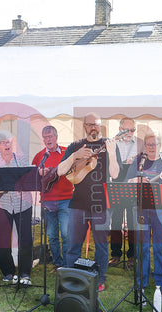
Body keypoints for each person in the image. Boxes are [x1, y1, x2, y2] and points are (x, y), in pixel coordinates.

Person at [57, 113, 119, 292]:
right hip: (77, 204)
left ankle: (100, 279)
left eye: (97, 124)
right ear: (84, 126)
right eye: (90, 124)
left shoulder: (109, 144)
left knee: (101, 245)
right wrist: (75, 155)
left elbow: (114, 174)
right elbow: (61, 171)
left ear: (101, 126)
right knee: (73, 244)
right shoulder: (75, 145)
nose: (94, 128)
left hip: (101, 205)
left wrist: (113, 153)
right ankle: (71, 278)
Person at [126, 129, 162, 294]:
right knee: (142, 246)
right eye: (148, 144)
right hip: (142, 207)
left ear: (160, 145)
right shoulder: (139, 160)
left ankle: (161, 281)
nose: (151, 147)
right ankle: (141, 281)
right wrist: (135, 180)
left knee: (159, 246)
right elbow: (127, 181)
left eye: (154, 144)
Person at [0, 130, 33, 285]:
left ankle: (25, 273)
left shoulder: (21, 158)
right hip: (1, 204)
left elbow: (29, 179)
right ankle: (8, 272)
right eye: (4, 142)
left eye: (9, 142)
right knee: (2, 239)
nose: (7, 145)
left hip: (22, 203)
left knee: (25, 238)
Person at [32, 125, 73, 271]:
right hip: (47, 201)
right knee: (51, 235)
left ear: (56, 137)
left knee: (67, 234)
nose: (48, 139)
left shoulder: (67, 152)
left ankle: (68, 264)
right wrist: (39, 172)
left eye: (50, 136)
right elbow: (31, 176)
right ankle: (57, 263)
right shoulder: (40, 156)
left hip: (66, 198)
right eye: (45, 137)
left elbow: (75, 168)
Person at [108, 117, 138, 268]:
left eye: (133, 130)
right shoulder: (113, 143)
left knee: (133, 221)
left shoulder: (139, 144)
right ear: (121, 129)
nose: (130, 133)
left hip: (133, 186)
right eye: (128, 130)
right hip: (118, 184)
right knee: (116, 221)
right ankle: (115, 254)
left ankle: (132, 255)